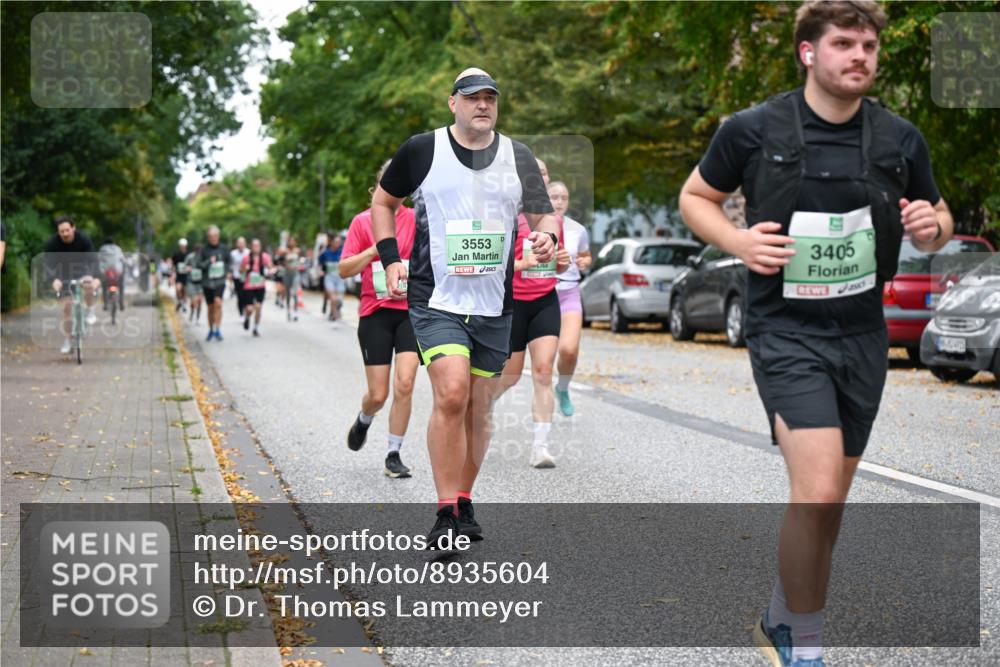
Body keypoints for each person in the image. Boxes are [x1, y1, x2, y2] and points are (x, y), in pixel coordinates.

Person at [677, 3, 953, 665]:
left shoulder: (899, 138)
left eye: (869, 46)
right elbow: (695, 197)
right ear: (808, 52)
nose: (860, 56)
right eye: (844, 44)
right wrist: (740, 242)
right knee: (820, 489)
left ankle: (780, 618)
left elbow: (939, 216)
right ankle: (805, 648)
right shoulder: (752, 129)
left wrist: (931, 228)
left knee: (827, 503)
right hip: (785, 329)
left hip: (862, 334)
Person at [372, 68, 558, 547]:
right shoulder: (422, 150)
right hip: (435, 298)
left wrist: (547, 236)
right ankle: (444, 513)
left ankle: (463, 498)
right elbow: (383, 203)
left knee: (478, 407)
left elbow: (544, 216)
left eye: (490, 98)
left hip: (495, 303)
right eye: (473, 97)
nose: (483, 104)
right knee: (452, 393)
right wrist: (391, 259)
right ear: (452, 102)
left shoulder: (518, 156)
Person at [340, 160, 420, 478]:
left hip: (410, 312)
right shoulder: (362, 221)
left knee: (405, 383)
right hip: (375, 314)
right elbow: (344, 269)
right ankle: (364, 418)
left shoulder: (417, 220)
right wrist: (374, 251)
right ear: (381, 183)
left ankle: (393, 453)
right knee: (378, 395)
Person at [496, 161, 570, 469]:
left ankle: (541, 447)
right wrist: (523, 264)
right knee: (511, 376)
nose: (542, 177)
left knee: (543, 371)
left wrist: (563, 261)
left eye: (545, 173)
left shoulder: (554, 220)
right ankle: (479, 405)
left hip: (544, 300)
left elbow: (559, 265)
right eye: (536, 173)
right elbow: (494, 264)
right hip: (513, 303)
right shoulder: (508, 214)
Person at [551, 181, 592, 417]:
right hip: (543, 293)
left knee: (569, 350)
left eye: (564, 198)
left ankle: (563, 388)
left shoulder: (578, 229)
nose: (559, 202)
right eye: (554, 197)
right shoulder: (534, 226)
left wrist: (585, 261)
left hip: (569, 293)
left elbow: (585, 255)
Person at [43, 215, 100, 354]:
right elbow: (48, 264)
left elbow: (93, 259)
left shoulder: (83, 239)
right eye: (61, 231)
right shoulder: (53, 243)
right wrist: (53, 279)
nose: (65, 234)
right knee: (67, 308)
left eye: (67, 230)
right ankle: (68, 339)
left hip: (82, 270)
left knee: (88, 283)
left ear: (73, 228)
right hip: (63, 274)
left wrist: (96, 277)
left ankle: (90, 309)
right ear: (58, 232)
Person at [198, 226, 229, 341]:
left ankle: (218, 329)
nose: (213, 238)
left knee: (218, 303)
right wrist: (208, 262)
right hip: (207, 283)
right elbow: (199, 265)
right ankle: (211, 329)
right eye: (211, 236)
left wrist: (227, 272)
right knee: (211, 307)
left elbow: (228, 262)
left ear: (218, 236)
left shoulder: (224, 249)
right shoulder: (203, 250)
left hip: (220, 281)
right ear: (208, 237)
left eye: (215, 236)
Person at [239, 239, 272, 337]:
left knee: (258, 307)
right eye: (254, 246)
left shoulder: (264, 257)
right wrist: (245, 268)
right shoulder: (247, 258)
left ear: (260, 247)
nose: (256, 248)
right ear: (251, 247)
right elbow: (241, 270)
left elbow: (270, 267)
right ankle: (247, 317)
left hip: (260, 286)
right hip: (249, 286)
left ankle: (255, 328)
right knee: (249, 309)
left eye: (257, 246)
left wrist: (269, 269)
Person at [320, 232, 346, 328]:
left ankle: (334, 312)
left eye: (339, 242)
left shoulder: (342, 252)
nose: (337, 243)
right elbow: (320, 263)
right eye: (336, 242)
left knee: (339, 300)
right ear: (331, 243)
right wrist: (321, 271)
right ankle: (335, 318)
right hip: (329, 278)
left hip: (340, 278)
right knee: (333, 299)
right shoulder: (325, 253)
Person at [98, 236, 126, 312]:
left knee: (104, 287)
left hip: (106, 272)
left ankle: (105, 304)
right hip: (117, 271)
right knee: (121, 286)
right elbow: (123, 260)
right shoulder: (118, 248)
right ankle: (121, 303)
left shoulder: (102, 249)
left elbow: (99, 259)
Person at [282, 236, 303, 321]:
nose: (292, 243)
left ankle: (295, 311)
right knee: (288, 293)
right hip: (287, 274)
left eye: (293, 241)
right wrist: (287, 264)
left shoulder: (298, 250)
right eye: (290, 241)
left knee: (295, 292)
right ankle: (288, 310)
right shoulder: (285, 251)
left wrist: (298, 265)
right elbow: (282, 261)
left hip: (295, 273)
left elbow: (300, 261)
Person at [184, 244, 204, 324]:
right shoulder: (189, 257)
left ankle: (197, 318)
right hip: (191, 282)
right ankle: (192, 313)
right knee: (194, 301)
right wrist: (188, 268)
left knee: (200, 301)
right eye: (197, 251)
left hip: (200, 282)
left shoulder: (203, 257)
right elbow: (184, 267)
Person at [230, 236, 249, 317]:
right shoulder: (233, 253)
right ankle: (240, 309)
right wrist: (230, 274)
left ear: (245, 244)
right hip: (237, 276)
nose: (241, 245)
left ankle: (245, 308)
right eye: (239, 243)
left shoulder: (248, 252)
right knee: (240, 294)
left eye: (242, 243)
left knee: (246, 294)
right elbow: (230, 265)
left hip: (246, 276)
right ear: (237, 244)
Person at [171, 238, 189, 312]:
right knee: (178, 289)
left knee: (184, 290)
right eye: (181, 246)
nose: (183, 247)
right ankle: (180, 301)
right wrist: (172, 275)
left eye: (184, 246)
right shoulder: (176, 255)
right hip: (179, 275)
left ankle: (183, 303)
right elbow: (173, 265)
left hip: (187, 276)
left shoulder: (189, 255)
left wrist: (189, 268)